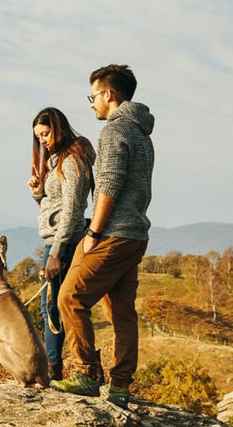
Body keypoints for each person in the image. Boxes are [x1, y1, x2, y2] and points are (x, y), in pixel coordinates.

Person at [52, 64, 155, 404]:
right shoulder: (142, 134)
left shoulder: (114, 131)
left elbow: (109, 184)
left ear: (109, 95)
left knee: (69, 297)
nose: (92, 103)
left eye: (93, 96)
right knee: (122, 312)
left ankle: (85, 374)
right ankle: (121, 386)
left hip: (112, 233)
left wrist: (94, 231)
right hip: (136, 235)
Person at [27, 107, 93, 381]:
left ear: (58, 128)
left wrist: (55, 253)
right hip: (57, 240)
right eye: (38, 136)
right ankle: (59, 366)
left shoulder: (72, 161)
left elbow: (72, 210)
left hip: (63, 242)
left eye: (45, 133)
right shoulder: (57, 161)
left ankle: (56, 369)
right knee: (53, 306)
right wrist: (38, 194)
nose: (42, 140)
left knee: (52, 307)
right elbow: (54, 205)